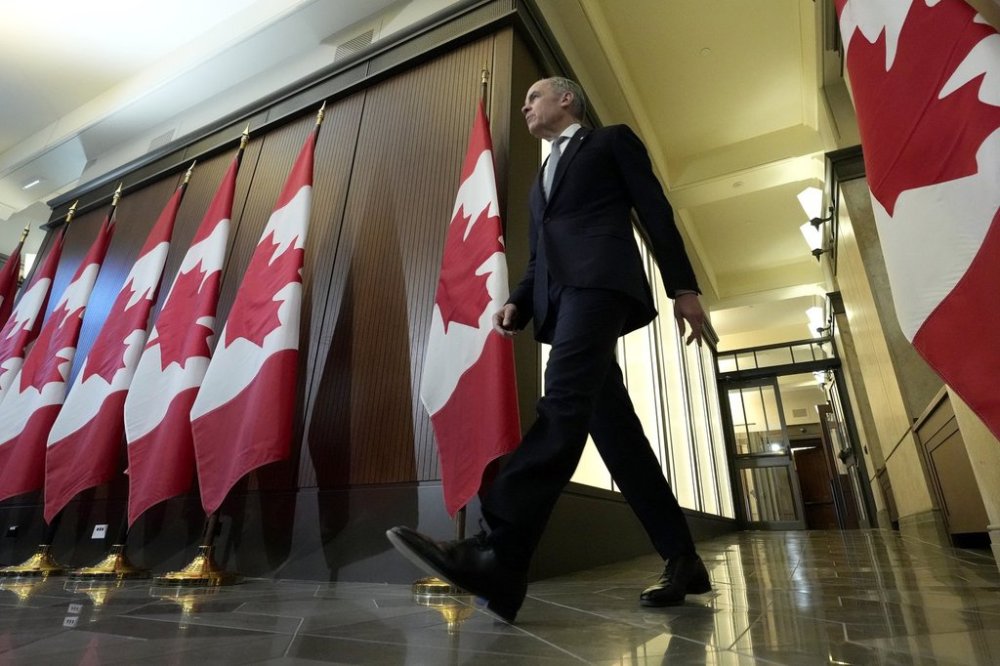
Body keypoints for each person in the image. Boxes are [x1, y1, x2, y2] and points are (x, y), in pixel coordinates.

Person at [388, 76, 711, 623]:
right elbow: (539, 255)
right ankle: (683, 559)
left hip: (601, 285)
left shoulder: (610, 142)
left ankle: (499, 551)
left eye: (532, 96)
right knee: (619, 439)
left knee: (560, 403)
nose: (525, 106)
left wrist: (684, 288)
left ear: (567, 99)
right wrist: (519, 300)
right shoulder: (542, 177)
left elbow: (655, 211)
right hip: (560, 303)